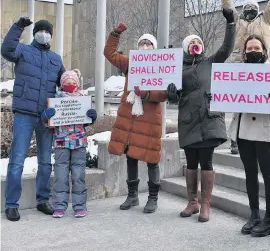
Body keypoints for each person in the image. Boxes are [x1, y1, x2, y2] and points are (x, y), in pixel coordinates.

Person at [166, 8, 236, 222]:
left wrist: (231, 23)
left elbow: (226, 48)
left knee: (206, 162)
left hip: (208, 121)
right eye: (192, 43)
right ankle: (192, 202)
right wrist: (171, 93)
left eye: (198, 42)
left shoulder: (210, 62)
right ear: (187, 47)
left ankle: (205, 204)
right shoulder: (177, 68)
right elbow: (174, 97)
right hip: (188, 121)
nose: (195, 45)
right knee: (191, 162)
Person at [1, 17, 65, 221]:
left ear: (51, 36)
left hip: (46, 117)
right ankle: (11, 204)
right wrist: (18, 26)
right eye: (41, 31)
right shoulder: (23, 51)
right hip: (24, 115)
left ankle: (42, 200)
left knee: (46, 161)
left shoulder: (56, 59)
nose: (44, 34)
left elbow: (65, 84)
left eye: (47, 32)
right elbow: (6, 50)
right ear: (36, 33)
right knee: (17, 160)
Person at [229, 35, 270, 237]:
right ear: (244, 52)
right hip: (244, 130)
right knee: (249, 173)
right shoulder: (238, 73)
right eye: (249, 48)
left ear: (264, 50)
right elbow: (231, 95)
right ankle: (254, 213)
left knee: (268, 174)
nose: (252, 51)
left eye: (256, 47)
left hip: (264, 131)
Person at [104, 23, 167, 214]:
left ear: (154, 48)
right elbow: (110, 54)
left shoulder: (161, 67)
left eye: (149, 44)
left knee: (151, 158)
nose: (145, 47)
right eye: (142, 44)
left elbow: (164, 95)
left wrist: (146, 93)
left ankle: (153, 198)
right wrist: (116, 34)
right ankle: (132, 196)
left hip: (150, 118)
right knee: (130, 155)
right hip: (131, 117)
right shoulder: (131, 63)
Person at [219, 0, 270, 155]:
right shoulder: (238, 21)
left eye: (253, 7)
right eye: (247, 7)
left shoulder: (265, 19)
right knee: (239, 106)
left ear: (258, 9)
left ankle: (261, 139)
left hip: (262, 67)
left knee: (261, 105)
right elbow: (228, 5)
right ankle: (235, 140)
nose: (250, 9)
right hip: (240, 66)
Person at [40, 69, 97, 218]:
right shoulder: (55, 100)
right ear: (62, 84)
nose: (70, 85)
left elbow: (86, 122)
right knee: (60, 175)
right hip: (61, 142)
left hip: (79, 142)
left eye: (73, 82)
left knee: (78, 175)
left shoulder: (83, 99)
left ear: (77, 84)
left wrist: (92, 117)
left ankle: (79, 206)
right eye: (66, 83)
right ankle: (59, 205)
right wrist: (46, 116)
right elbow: (47, 122)